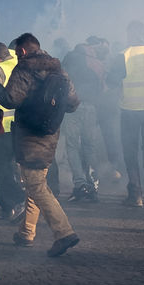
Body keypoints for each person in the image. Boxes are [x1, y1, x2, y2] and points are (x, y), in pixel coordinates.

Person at [0, 33, 81, 257]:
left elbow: (10, 99)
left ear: (21, 51)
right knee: (35, 182)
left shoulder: (24, 69)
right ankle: (26, 232)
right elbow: (73, 103)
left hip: (29, 136)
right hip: (50, 134)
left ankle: (64, 233)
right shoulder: (58, 69)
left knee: (36, 185)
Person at [112, 20, 144, 206]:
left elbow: (112, 80)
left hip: (130, 108)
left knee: (130, 150)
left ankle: (135, 194)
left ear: (130, 34)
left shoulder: (124, 54)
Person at [0, 42, 26, 221]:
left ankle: (20, 199)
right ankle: (8, 207)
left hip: (2, 127)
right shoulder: (19, 62)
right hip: (20, 125)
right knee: (9, 167)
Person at [62, 38, 108, 202]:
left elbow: (62, 81)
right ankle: (93, 186)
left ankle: (80, 185)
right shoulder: (97, 64)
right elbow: (103, 89)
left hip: (73, 107)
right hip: (91, 108)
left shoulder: (70, 58)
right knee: (89, 147)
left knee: (73, 146)